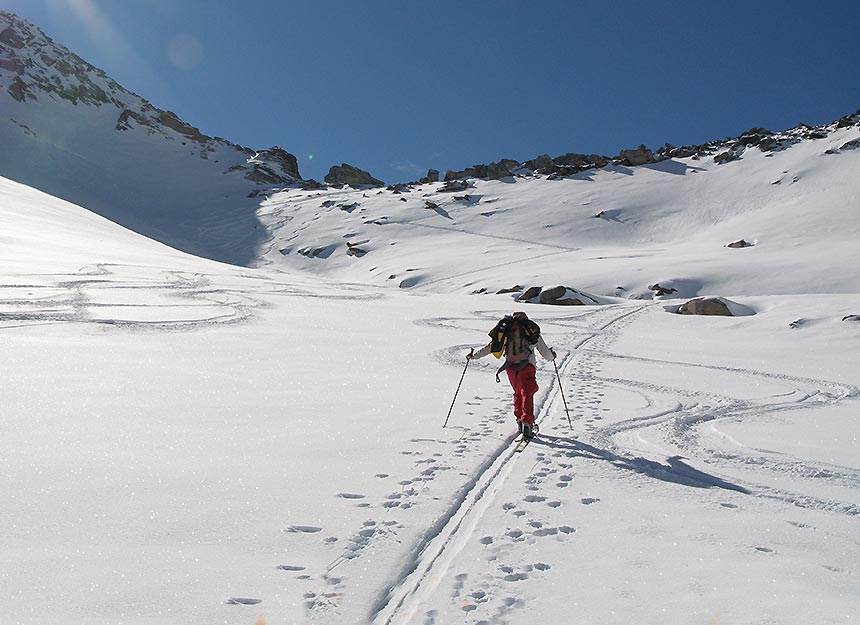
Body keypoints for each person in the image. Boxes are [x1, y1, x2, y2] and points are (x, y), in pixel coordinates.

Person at [467, 311, 556, 440]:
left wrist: (474, 356)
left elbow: (491, 347)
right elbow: (545, 353)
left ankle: (520, 420)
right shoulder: (530, 330)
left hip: (511, 367)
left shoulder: (507, 331)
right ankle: (527, 424)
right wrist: (552, 356)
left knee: (518, 393)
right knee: (527, 393)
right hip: (527, 366)